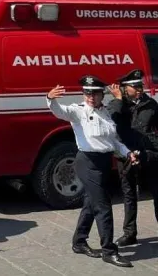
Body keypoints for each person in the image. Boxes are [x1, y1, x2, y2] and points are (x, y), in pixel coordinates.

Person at [47, 76, 138, 268]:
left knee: (90, 203)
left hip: (104, 162)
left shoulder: (105, 112)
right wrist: (50, 98)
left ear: (101, 95)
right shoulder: (78, 111)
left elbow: (112, 142)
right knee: (103, 206)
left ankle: (79, 242)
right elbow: (60, 111)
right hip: (87, 162)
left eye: (94, 93)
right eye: (87, 93)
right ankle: (109, 251)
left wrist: (127, 153)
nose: (90, 97)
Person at [107, 69, 158, 247]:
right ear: (124, 88)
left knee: (157, 192)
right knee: (129, 195)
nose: (139, 90)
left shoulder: (150, 104)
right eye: (134, 87)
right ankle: (130, 233)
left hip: (149, 154)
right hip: (126, 156)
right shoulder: (118, 105)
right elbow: (111, 120)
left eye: (140, 86)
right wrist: (118, 99)